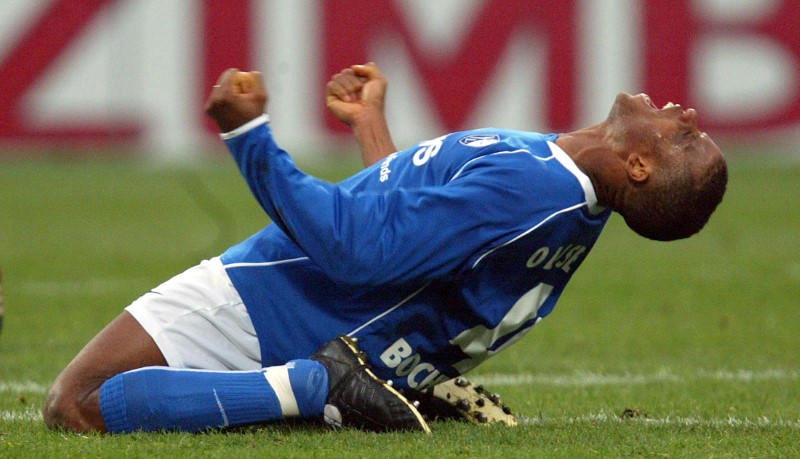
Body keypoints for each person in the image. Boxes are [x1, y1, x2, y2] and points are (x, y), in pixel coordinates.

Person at [43, 62, 727, 434]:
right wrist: (373, 131)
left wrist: (249, 138)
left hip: (275, 298)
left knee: (75, 403)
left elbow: (354, 251)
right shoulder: (565, 198)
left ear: (639, 167)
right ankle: (312, 387)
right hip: (335, 323)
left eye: (687, 142)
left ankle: (306, 386)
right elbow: (425, 237)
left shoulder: (532, 185)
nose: (688, 116)